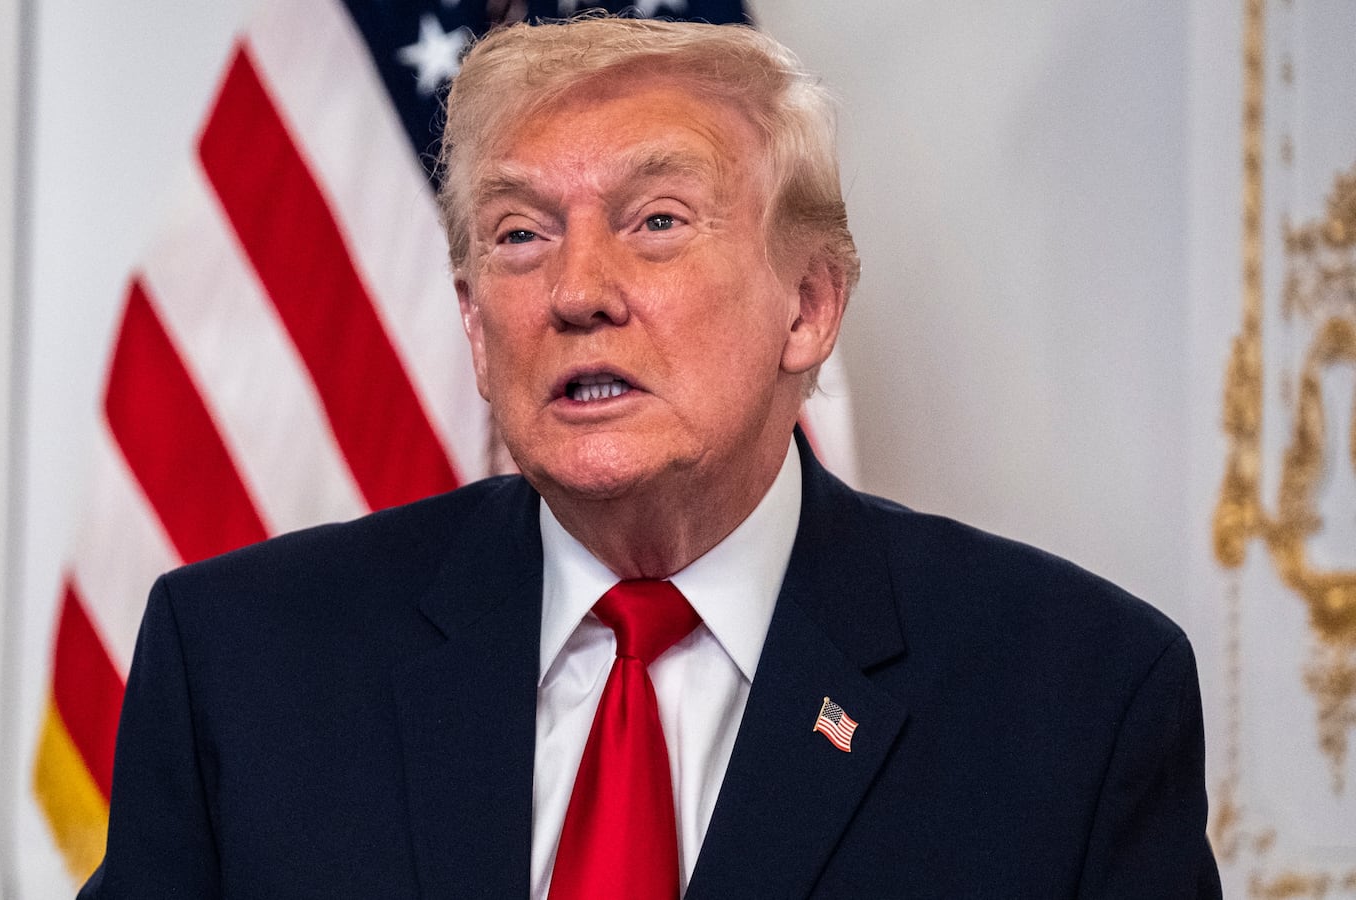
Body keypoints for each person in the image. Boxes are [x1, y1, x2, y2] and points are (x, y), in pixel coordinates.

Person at [81, 16, 1221, 899]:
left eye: (657, 221)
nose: (576, 292)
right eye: (521, 236)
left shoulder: (1074, 698)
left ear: (810, 306)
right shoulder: (244, 662)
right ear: (477, 330)